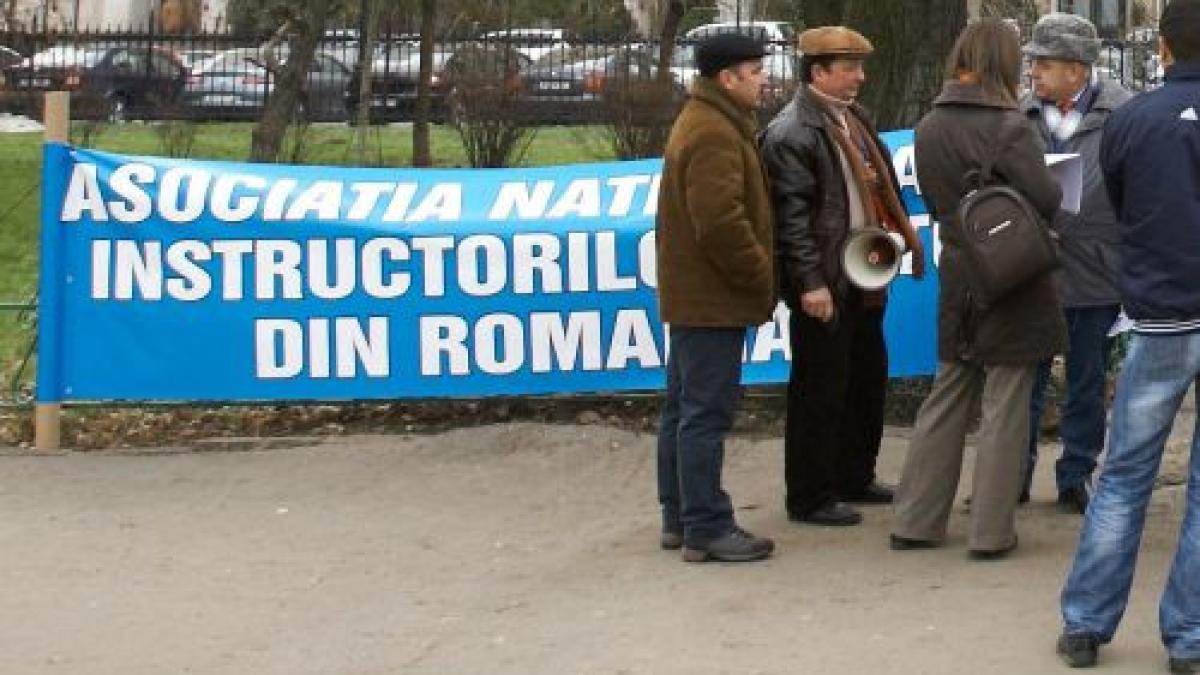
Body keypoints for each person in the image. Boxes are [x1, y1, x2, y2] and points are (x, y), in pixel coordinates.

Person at [1057, 0, 1200, 669]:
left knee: (1123, 474)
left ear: (1164, 49)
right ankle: (1189, 636)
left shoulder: (1132, 120)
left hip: (1158, 315)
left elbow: (1117, 202)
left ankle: (1086, 622)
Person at [889, 18, 1063, 559]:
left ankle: (916, 520)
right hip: (1012, 274)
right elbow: (1046, 198)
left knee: (949, 391)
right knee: (1006, 399)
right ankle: (991, 531)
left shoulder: (928, 125)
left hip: (960, 268)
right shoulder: (1011, 127)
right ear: (1005, 64)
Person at [759, 26, 926, 527]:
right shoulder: (792, 132)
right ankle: (810, 495)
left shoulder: (852, 118)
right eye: (849, 68)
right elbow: (791, 220)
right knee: (820, 387)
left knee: (865, 378)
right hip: (827, 278)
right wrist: (810, 284)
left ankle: (855, 475)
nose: (861, 76)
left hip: (863, 272)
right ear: (819, 73)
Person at [655, 32, 777, 563]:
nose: (763, 80)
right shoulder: (714, 133)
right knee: (704, 413)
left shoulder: (709, 121)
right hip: (711, 298)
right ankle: (705, 524)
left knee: (683, 409)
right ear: (727, 78)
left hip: (694, 295)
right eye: (754, 72)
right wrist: (761, 276)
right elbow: (720, 222)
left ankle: (680, 517)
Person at [1019, 13, 1132, 514]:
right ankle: (1013, 475)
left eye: (1042, 65)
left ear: (1076, 68)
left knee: (1087, 380)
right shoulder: (1022, 113)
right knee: (1026, 379)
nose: (1033, 74)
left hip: (1097, 268)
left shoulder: (1124, 113)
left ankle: (1075, 474)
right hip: (1031, 270)